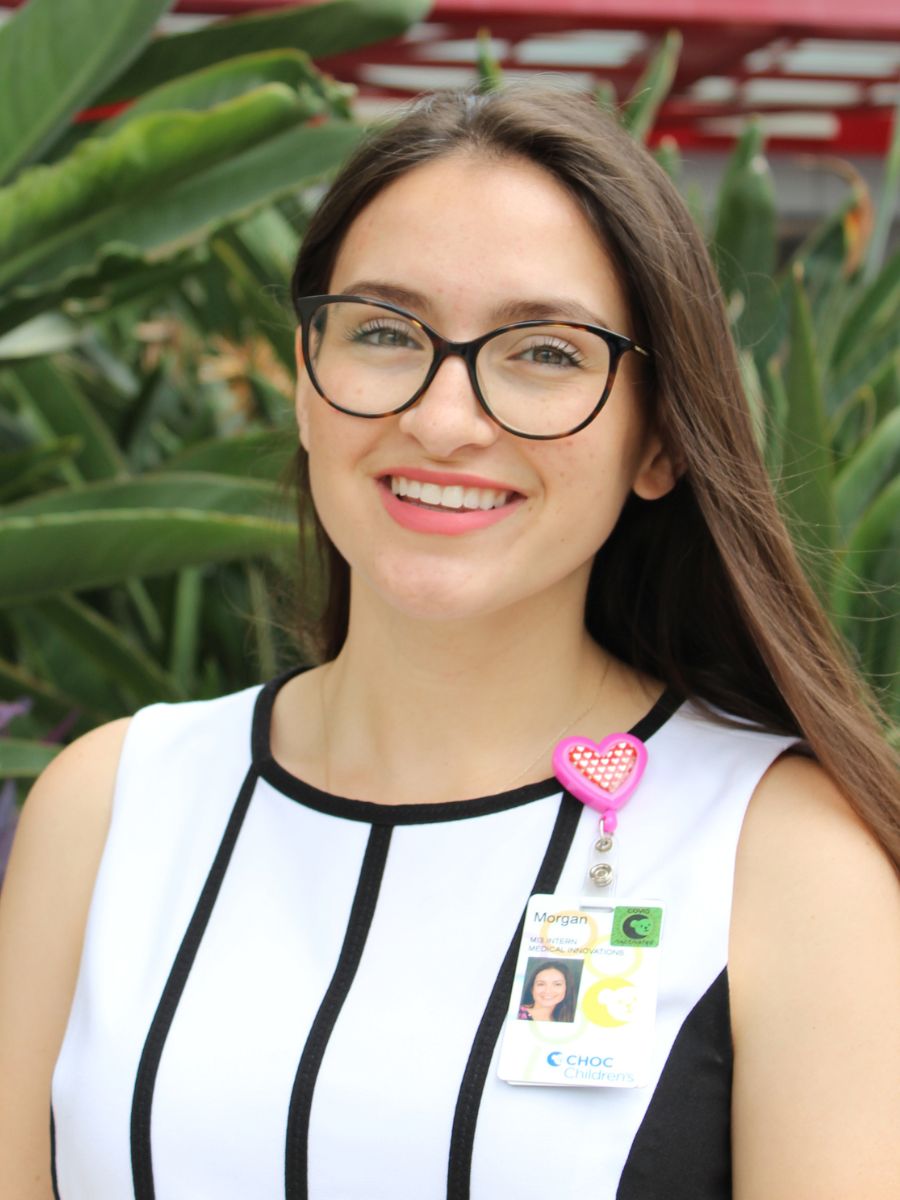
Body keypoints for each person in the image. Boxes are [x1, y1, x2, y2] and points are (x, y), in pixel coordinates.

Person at [0, 86, 898, 1200]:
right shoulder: (110, 808)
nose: (443, 417)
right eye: (384, 332)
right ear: (303, 383)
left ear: (660, 440)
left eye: (544, 353)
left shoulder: (786, 856)